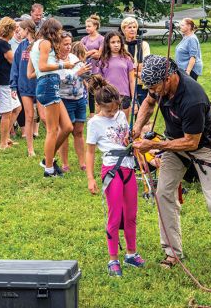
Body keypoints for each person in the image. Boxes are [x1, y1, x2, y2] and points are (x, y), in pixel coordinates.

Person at [132, 55, 211, 273]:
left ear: (170, 77)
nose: (153, 90)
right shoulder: (158, 85)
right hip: (174, 143)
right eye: (149, 86)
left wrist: (155, 145)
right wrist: (137, 128)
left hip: (201, 147)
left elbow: (191, 142)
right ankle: (172, 253)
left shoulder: (193, 98)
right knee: (163, 193)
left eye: (155, 86)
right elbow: (149, 102)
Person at [86, 75, 145, 277]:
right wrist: (90, 178)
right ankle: (113, 259)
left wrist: (131, 137)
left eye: (115, 108)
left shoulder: (120, 115)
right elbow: (90, 151)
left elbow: (125, 135)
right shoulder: (94, 123)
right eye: (108, 110)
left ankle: (131, 253)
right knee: (115, 214)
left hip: (129, 167)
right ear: (98, 105)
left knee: (131, 214)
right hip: (112, 169)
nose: (112, 113)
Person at [28, 18, 74, 177]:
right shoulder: (45, 43)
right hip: (48, 84)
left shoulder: (36, 44)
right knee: (52, 130)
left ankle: (47, 159)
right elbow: (42, 67)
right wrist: (63, 65)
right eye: (58, 31)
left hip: (47, 83)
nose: (59, 34)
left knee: (67, 126)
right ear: (52, 31)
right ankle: (49, 169)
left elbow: (31, 73)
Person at [10, 19, 45, 157]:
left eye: (21, 29)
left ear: (27, 30)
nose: (19, 31)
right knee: (29, 116)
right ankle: (30, 149)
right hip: (24, 85)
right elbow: (15, 66)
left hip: (39, 84)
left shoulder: (39, 44)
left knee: (43, 117)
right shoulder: (21, 46)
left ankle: (53, 144)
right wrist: (13, 85)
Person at [58, 34, 91, 172]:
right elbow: (60, 79)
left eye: (69, 44)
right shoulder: (55, 61)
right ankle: (65, 164)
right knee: (65, 131)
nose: (68, 47)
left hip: (79, 98)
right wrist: (78, 72)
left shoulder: (74, 58)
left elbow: (83, 74)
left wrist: (86, 72)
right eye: (65, 44)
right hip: (64, 100)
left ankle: (82, 163)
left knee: (79, 131)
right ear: (58, 44)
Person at [0, 17, 22, 150]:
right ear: (9, 30)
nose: (15, 32)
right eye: (14, 29)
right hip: (3, 83)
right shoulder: (2, 44)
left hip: (7, 82)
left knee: (17, 108)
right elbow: (13, 61)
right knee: (6, 113)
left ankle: (7, 137)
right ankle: (3, 143)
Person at [98, 31, 135, 121]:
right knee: (108, 123)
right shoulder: (103, 60)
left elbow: (132, 80)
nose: (116, 45)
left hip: (124, 95)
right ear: (107, 44)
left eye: (118, 42)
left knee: (123, 124)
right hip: (108, 95)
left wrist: (134, 97)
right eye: (113, 42)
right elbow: (100, 82)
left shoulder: (127, 58)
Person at [121, 17, 150, 106]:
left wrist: (129, 70)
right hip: (124, 83)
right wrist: (135, 70)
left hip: (140, 83)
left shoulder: (143, 44)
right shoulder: (120, 45)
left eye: (134, 27)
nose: (132, 29)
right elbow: (120, 67)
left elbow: (143, 66)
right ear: (124, 29)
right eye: (129, 27)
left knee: (140, 109)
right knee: (124, 109)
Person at [80, 14, 104, 117]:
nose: (87, 28)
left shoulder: (101, 39)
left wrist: (90, 53)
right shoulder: (84, 39)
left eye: (89, 26)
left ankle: (100, 111)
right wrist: (92, 51)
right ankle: (92, 114)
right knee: (90, 92)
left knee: (98, 91)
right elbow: (81, 55)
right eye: (86, 26)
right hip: (86, 69)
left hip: (97, 69)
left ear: (95, 26)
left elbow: (99, 55)